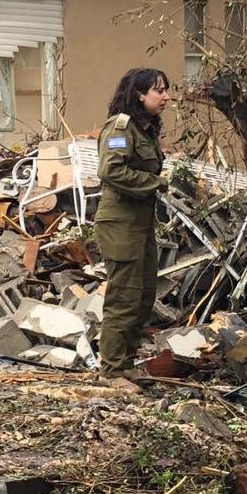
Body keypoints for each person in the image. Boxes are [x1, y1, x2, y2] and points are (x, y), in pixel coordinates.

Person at [95, 67, 171, 379]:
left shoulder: (144, 129)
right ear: (140, 95)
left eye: (166, 90)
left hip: (141, 222)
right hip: (120, 222)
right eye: (159, 91)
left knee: (143, 297)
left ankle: (124, 365)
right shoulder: (121, 127)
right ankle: (111, 371)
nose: (166, 97)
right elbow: (110, 171)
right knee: (123, 299)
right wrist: (157, 183)